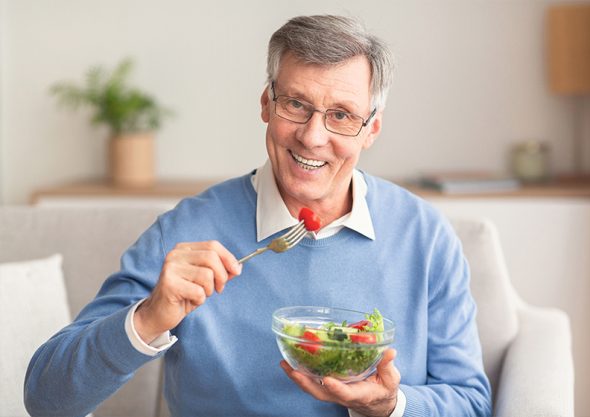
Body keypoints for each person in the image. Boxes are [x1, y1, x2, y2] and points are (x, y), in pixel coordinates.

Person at [25, 15, 491, 417]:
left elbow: (472, 403)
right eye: (296, 104)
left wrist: (390, 406)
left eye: (342, 115)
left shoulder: (425, 236)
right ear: (267, 104)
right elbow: (46, 399)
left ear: (371, 129)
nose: (312, 137)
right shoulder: (186, 231)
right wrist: (148, 318)